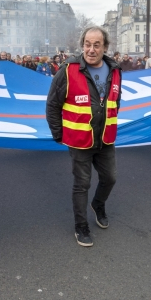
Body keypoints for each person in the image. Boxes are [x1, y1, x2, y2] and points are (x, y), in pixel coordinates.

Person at [46, 26, 121, 247]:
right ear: (82, 46)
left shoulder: (115, 70)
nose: (91, 49)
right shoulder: (67, 70)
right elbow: (52, 105)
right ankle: (81, 226)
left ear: (105, 47)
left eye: (96, 45)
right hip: (79, 140)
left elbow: (115, 100)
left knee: (110, 178)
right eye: (87, 44)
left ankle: (98, 205)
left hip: (105, 138)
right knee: (82, 183)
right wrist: (58, 134)